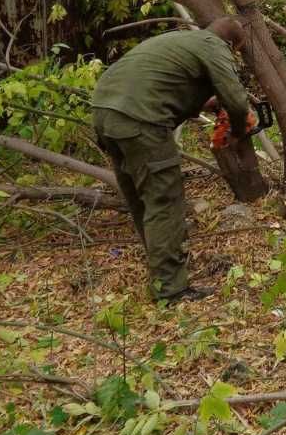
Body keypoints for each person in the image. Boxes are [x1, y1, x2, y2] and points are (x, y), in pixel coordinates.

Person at [92, 16, 251, 302]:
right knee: (164, 198)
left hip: (105, 111)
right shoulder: (213, 46)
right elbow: (238, 102)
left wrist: (207, 103)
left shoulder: (178, 41)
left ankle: (161, 270)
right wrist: (239, 131)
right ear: (231, 44)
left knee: (141, 197)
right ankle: (171, 289)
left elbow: (161, 85)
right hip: (141, 120)